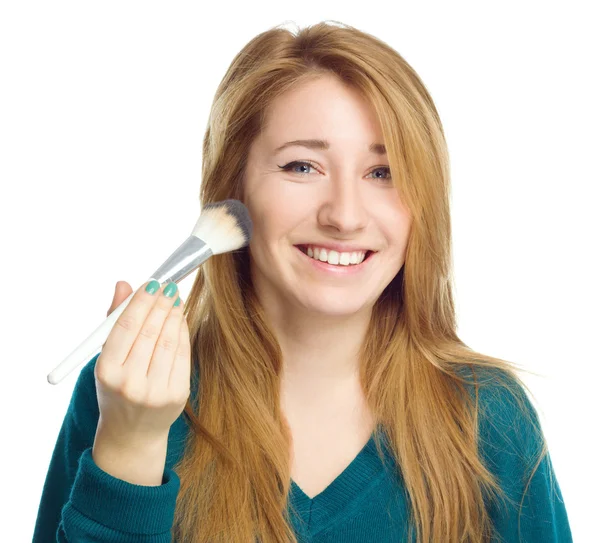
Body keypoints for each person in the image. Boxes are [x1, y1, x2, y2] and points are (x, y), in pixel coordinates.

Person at [33, 20, 573, 543]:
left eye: (383, 173)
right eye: (301, 167)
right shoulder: (124, 396)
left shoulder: (489, 419)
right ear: (232, 188)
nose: (344, 215)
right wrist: (131, 446)